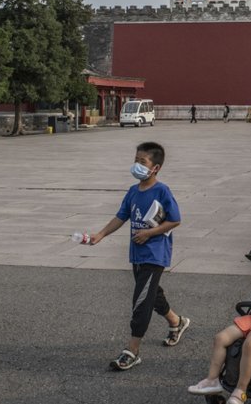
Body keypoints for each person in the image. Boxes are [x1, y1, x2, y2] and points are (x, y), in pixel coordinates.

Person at [90, 141, 190, 371]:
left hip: (155, 254)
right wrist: (101, 234)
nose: (137, 165)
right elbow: (121, 216)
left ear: (155, 168)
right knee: (152, 294)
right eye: (136, 160)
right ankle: (177, 322)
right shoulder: (133, 191)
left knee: (141, 301)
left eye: (142, 162)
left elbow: (175, 219)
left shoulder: (162, 190)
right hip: (137, 253)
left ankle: (132, 350)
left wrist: (150, 233)